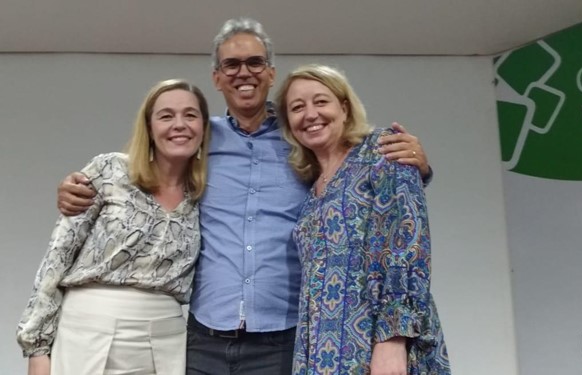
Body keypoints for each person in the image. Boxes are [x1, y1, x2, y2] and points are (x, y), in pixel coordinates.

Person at [55, 18, 433, 375]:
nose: (243, 72)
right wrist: (82, 185)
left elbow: (353, 180)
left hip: (283, 336)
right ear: (217, 78)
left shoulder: (302, 138)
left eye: (255, 62)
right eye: (231, 64)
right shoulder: (199, 139)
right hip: (204, 336)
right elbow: (146, 171)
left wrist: (418, 167)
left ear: (271, 72)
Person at [17, 79, 211, 375]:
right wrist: (37, 349)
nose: (179, 124)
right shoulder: (110, 171)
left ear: (204, 127)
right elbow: (58, 256)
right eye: (166, 115)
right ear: (148, 127)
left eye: (191, 115)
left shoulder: (205, 194)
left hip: (166, 338)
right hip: (88, 330)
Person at [274, 64, 450, 375]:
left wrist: (392, 340)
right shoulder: (311, 187)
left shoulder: (383, 149)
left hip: (379, 345)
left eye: (320, 101)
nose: (310, 114)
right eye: (297, 108)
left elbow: (408, 245)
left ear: (343, 107)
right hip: (318, 351)